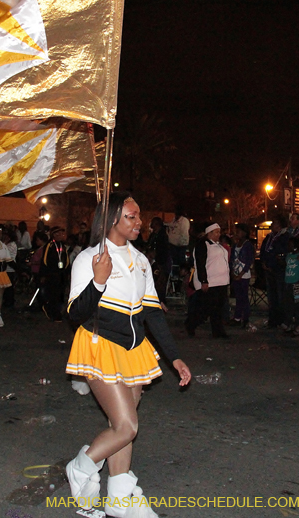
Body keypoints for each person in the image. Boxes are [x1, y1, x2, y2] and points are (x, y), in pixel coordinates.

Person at [65, 191, 191, 517]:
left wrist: (174, 357)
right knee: (126, 427)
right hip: (100, 346)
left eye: (138, 216)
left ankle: (119, 497)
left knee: (123, 422)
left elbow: (153, 314)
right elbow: (74, 314)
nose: (139, 223)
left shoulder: (141, 260)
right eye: (131, 217)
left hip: (135, 350)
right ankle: (81, 468)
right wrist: (98, 282)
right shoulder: (89, 258)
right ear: (112, 221)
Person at [185, 223, 230, 338]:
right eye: (216, 232)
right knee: (205, 308)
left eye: (219, 232)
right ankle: (191, 324)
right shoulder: (203, 244)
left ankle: (218, 331)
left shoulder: (218, 245)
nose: (219, 234)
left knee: (218, 308)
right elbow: (201, 263)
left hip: (221, 282)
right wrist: (204, 280)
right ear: (209, 233)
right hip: (211, 282)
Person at [260, 215, 288, 329]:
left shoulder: (284, 236)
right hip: (269, 269)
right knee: (271, 296)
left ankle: (281, 319)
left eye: (275, 223)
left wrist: (275, 263)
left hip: (279, 270)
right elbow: (263, 250)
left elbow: (281, 252)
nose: (272, 226)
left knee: (280, 296)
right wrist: (263, 263)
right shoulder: (269, 237)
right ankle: (272, 319)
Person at [40, 226, 69, 322]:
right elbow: (44, 260)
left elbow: (66, 259)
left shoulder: (63, 246)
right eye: (60, 234)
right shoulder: (50, 245)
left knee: (60, 294)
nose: (62, 236)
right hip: (52, 274)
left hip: (61, 274)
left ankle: (58, 311)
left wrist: (67, 271)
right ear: (55, 235)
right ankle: (52, 312)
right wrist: (44, 274)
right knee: (53, 294)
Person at [230, 224, 255, 328]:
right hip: (236, 273)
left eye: (239, 231)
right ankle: (237, 317)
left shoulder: (248, 245)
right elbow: (232, 260)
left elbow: (249, 262)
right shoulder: (236, 245)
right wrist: (232, 272)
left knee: (243, 297)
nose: (237, 233)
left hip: (243, 275)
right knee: (238, 297)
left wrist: (240, 274)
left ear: (244, 233)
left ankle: (245, 318)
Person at [282, 237, 299, 336]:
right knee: (288, 304)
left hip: (296, 283)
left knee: (298, 304)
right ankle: (289, 322)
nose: (288, 246)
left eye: (290, 245)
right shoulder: (289, 256)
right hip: (288, 283)